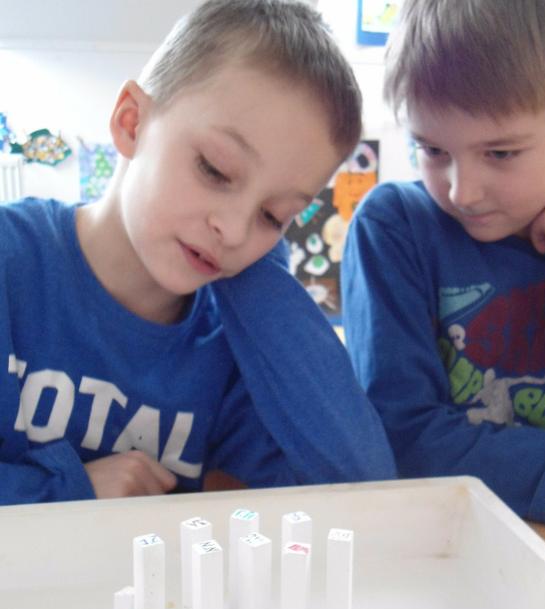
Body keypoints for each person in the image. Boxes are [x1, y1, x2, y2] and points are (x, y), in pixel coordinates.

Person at [0, 0, 396, 505]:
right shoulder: (12, 263)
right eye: (215, 169)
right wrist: (69, 491)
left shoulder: (234, 339)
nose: (233, 230)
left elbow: (363, 490)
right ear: (131, 122)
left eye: (273, 215)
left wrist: (260, 275)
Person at [341, 0, 545, 523]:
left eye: (500, 154)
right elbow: (400, 437)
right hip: (436, 541)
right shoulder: (394, 228)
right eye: (432, 150)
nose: (463, 192)